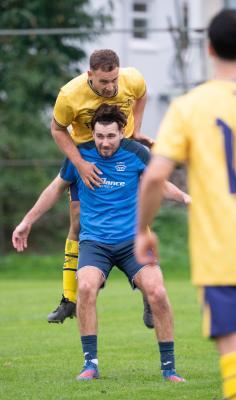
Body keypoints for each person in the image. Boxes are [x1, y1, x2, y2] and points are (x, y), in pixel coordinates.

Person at [135, 9, 236, 400]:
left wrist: (142, 229)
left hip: (224, 253)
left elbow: (156, 176)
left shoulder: (190, 106)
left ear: (209, 48)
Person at [13, 104, 190, 382]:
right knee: (85, 286)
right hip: (95, 243)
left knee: (157, 291)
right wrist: (27, 221)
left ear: (122, 133)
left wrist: (185, 198)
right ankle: (90, 365)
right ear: (92, 134)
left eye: (110, 136)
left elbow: (159, 184)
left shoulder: (136, 153)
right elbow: (54, 188)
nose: (105, 142)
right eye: (99, 136)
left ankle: (169, 369)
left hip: (133, 241)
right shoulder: (79, 156)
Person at [48, 48, 154, 325]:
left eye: (114, 80)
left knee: (139, 215)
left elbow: (142, 95)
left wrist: (137, 130)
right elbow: (57, 129)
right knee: (77, 220)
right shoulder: (70, 95)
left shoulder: (133, 79)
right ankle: (69, 298)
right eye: (104, 82)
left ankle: (150, 294)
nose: (111, 87)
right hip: (88, 159)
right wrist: (80, 165)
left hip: (122, 155)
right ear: (89, 75)